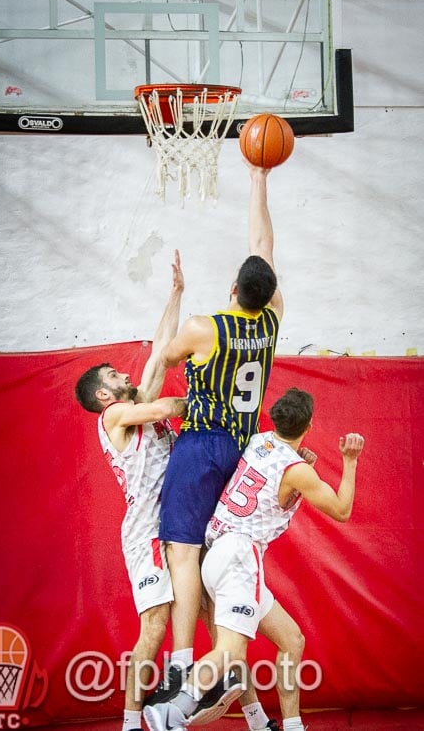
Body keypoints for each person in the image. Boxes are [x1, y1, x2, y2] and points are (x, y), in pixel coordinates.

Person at [143, 388, 365, 731]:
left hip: (216, 550)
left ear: (274, 419)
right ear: (309, 424)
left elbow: (274, 479)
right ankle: (172, 708)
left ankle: (281, 725)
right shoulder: (297, 470)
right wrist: (349, 462)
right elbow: (342, 509)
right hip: (239, 556)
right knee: (230, 650)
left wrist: (299, 465)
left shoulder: (259, 440)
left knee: (291, 640)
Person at [151, 164, 283, 698]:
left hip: (203, 444)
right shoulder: (272, 320)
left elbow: (164, 355)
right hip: (246, 452)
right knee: (220, 560)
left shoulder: (205, 327)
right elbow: (264, 247)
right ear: (266, 293)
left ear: (232, 287)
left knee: (183, 552)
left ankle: (183, 666)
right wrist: (260, 179)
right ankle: (231, 670)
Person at [74, 251, 187, 731]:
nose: (126, 375)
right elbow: (166, 407)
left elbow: (161, 351)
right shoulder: (114, 416)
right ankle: (130, 722)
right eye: (117, 377)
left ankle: (244, 710)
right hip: (147, 535)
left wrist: (176, 293)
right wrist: (203, 400)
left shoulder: (131, 402)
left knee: (209, 612)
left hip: (176, 524)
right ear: (104, 395)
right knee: (156, 625)